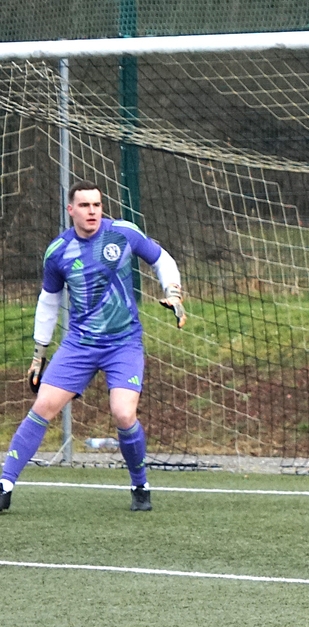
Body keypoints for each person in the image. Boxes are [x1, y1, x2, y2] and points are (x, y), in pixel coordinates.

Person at [0, 180, 186, 513]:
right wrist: (39, 355)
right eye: (84, 206)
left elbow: (162, 259)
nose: (92, 212)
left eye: (97, 205)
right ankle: (5, 484)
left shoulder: (123, 233)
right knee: (43, 406)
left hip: (123, 343)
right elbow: (49, 302)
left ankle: (140, 484)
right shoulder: (58, 251)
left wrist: (173, 292)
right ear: (70, 210)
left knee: (123, 413)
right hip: (79, 344)